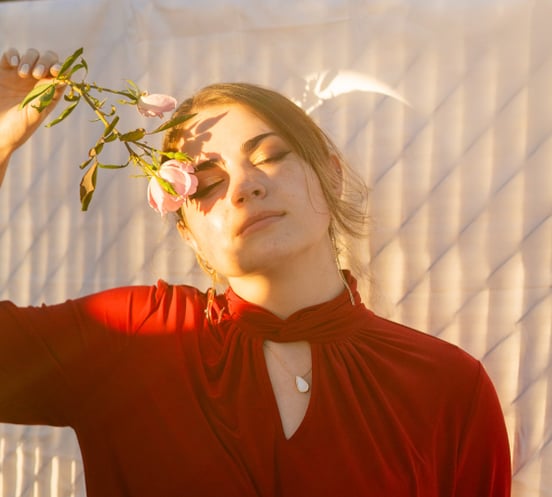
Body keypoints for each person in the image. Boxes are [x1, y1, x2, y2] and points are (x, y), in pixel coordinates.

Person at [0, 48, 511, 497]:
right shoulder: (133, 336)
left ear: (330, 173)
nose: (244, 187)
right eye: (204, 183)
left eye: (269, 156)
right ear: (187, 231)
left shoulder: (448, 387)